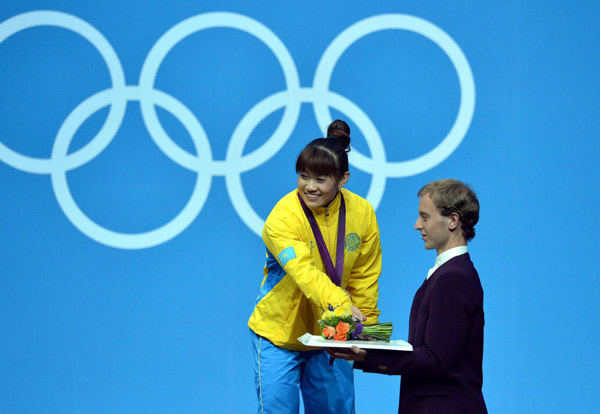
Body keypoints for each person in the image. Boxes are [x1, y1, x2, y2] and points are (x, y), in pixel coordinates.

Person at [248, 119, 383, 414]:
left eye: (320, 179)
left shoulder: (362, 213)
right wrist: (341, 303)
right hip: (279, 334)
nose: (309, 187)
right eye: (303, 176)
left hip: (331, 335)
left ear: (342, 179)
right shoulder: (282, 217)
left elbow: (364, 276)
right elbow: (304, 272)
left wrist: (365, 328)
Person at [327, 178, 487, 414]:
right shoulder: (449, 273)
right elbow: (431, 349)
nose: (416, 225)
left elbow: (436, 361)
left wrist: (367, 356)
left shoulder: (454, 278)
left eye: (425, 217)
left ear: (453, 220)